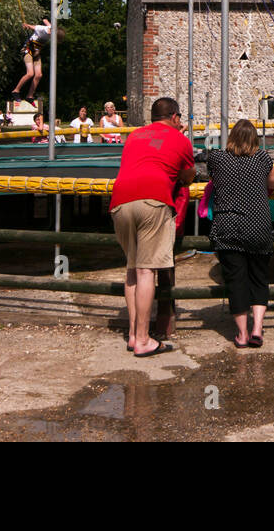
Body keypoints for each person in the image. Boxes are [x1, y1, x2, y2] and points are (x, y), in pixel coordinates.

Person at [108, 96, 193, 357]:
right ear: (176, 118)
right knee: (147, 272)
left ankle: (133, 335)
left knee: (132, 270)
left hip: (120, 201)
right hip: (153, 199)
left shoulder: (134, 136)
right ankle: (144, 339)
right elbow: (187, 176)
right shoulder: (181, 139)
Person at [206, 119, 274, 348]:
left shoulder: (217, 157)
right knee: (259, 277)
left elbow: (212, 179)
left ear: (231, 137)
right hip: (258, 224)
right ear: (254, 139)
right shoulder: (263, 158)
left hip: (228, 226)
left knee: (236, 280)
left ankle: (242, 334)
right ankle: (257, 328)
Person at [11, 18, 65, 102]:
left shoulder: (52, 29)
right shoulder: (43, 30)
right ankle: (16, 90)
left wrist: (46, 21)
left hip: (36, 53)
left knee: (39, 75)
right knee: (30, 73)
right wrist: (27, 26)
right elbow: (35, 27)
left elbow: (45, 20)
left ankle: (30, 95)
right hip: (28, 50)